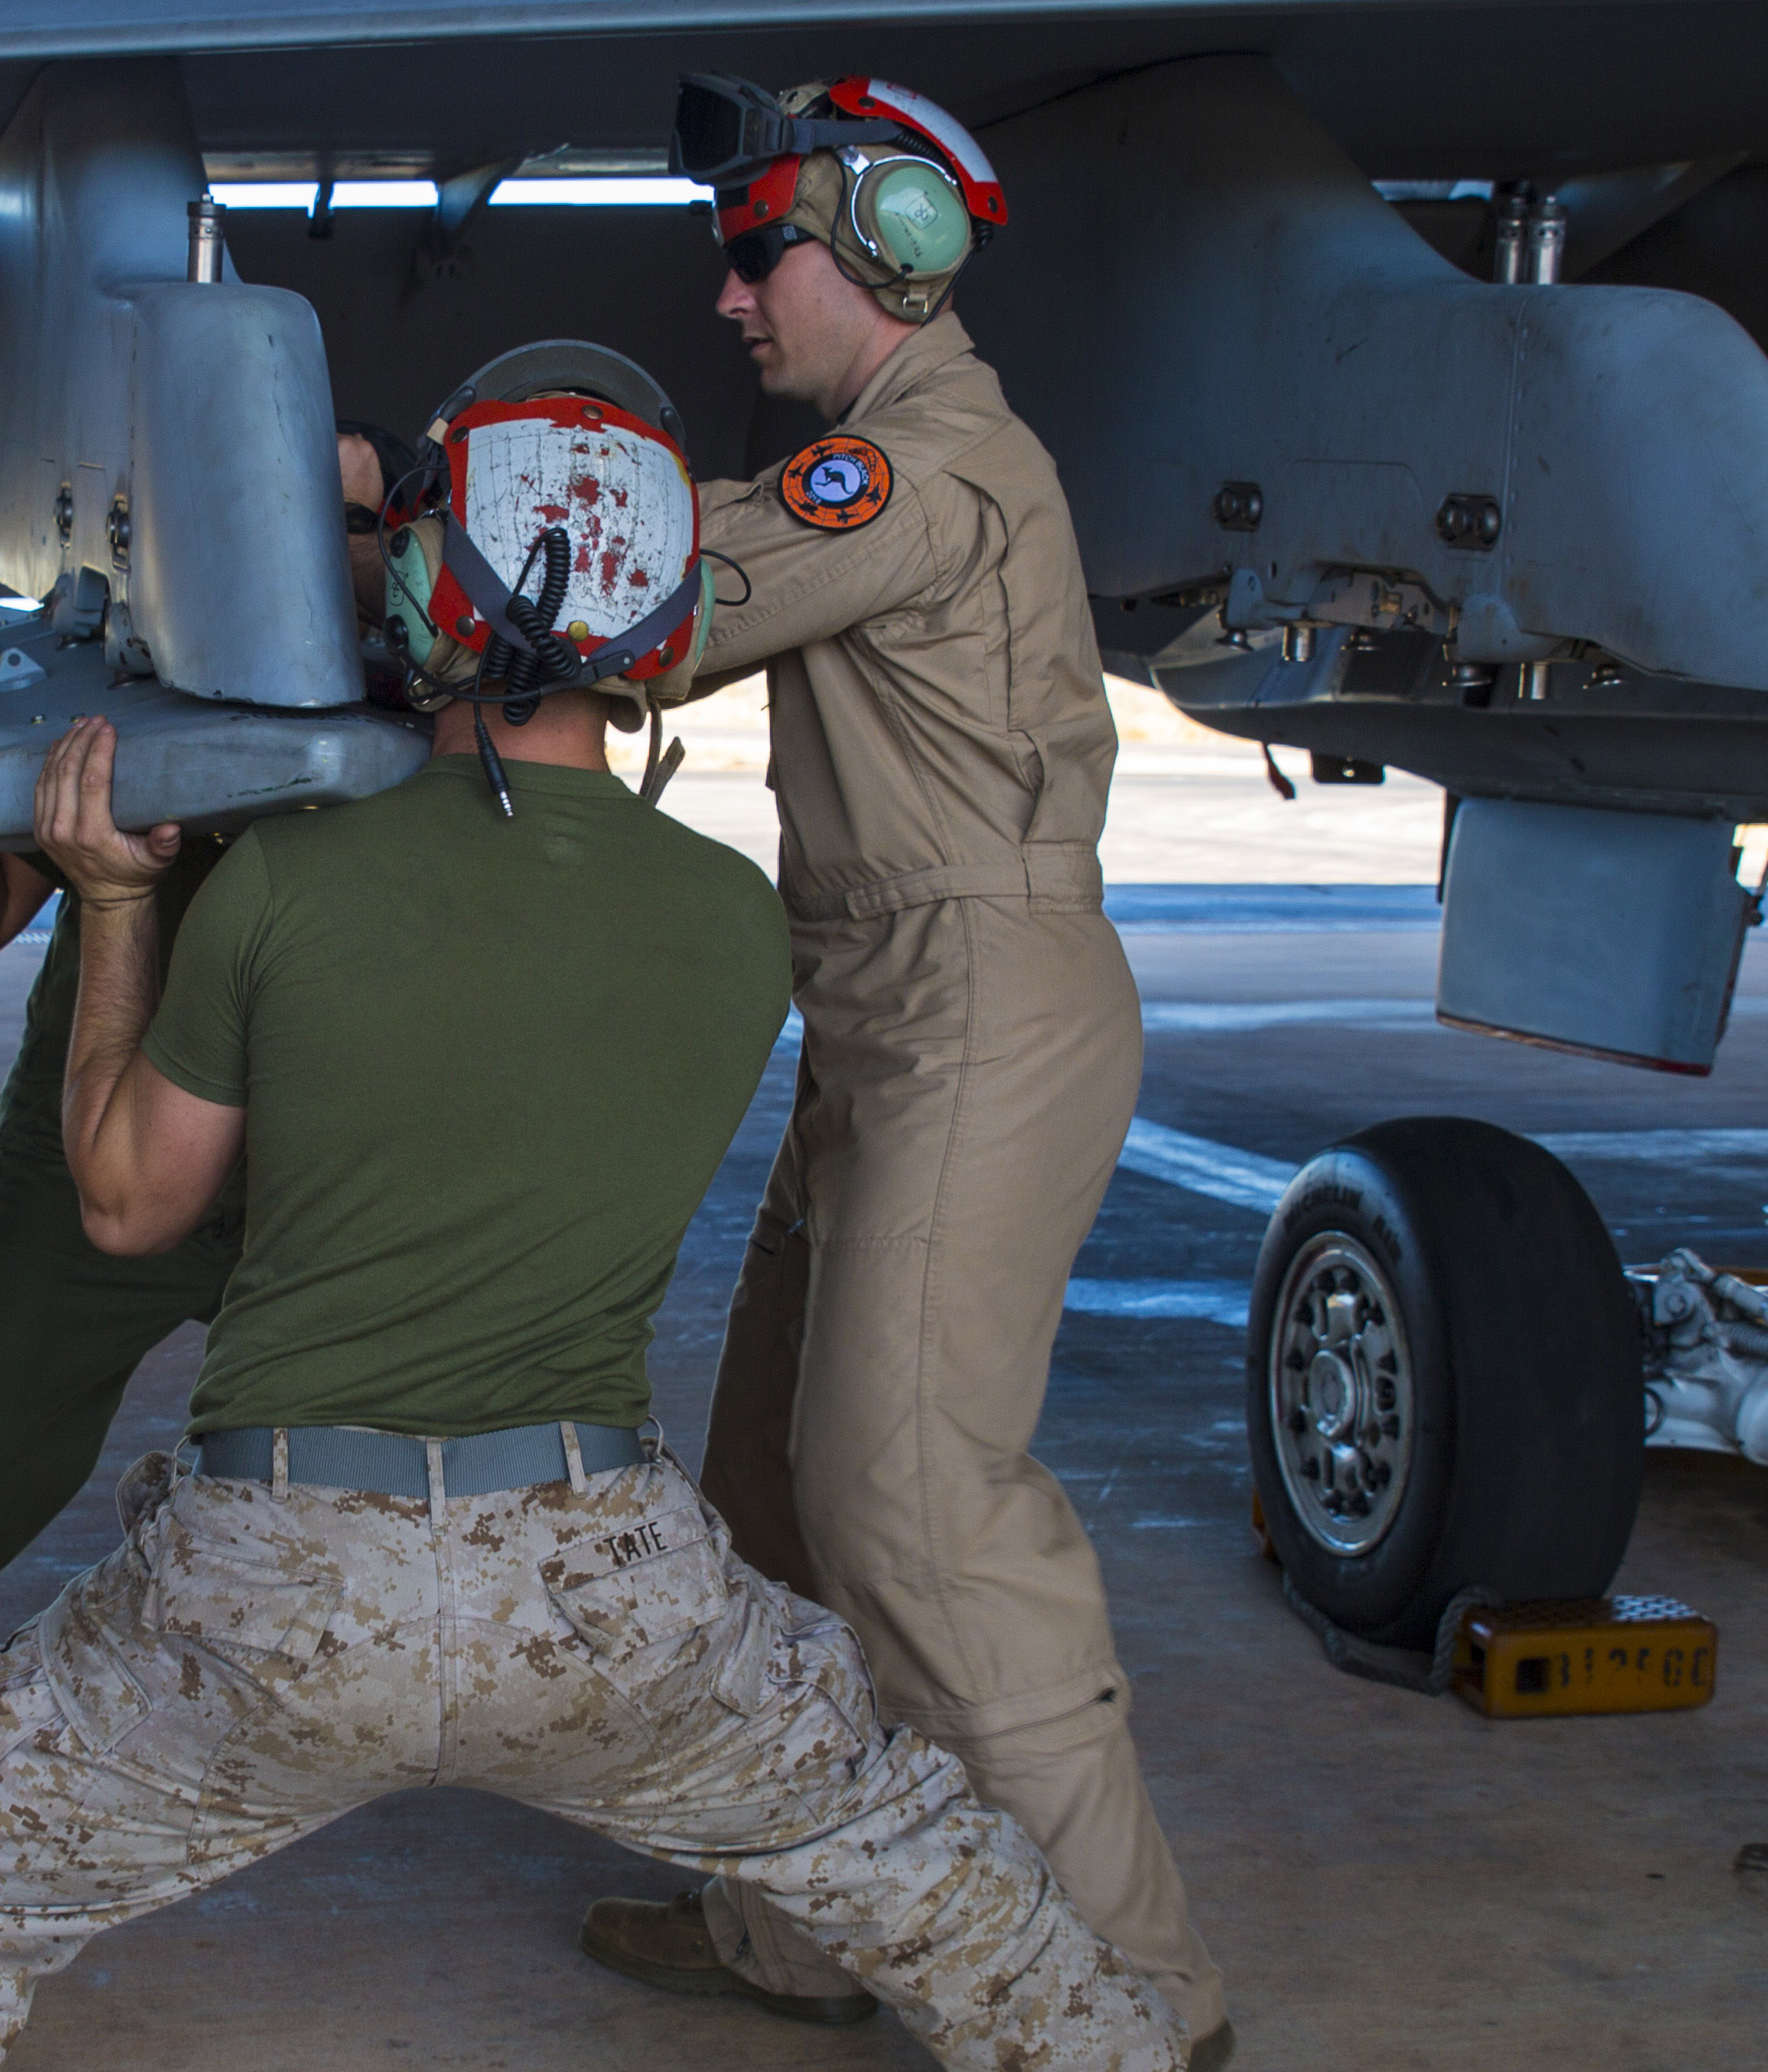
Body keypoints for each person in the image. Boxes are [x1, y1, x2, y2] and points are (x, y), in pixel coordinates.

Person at [0, 676, 1190, 2070]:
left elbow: (132, 1193)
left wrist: (116, 898)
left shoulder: (296, 877)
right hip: (595, 1570)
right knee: (929, 1861)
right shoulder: (734, 912)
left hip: (278, 1545)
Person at [573, 74, 1231, 2067]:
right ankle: (807, 1934)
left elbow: (674, 615)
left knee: (915, 1510)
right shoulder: (869, 453)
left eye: (756, 255)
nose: (731, 303)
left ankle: (1137, 1994)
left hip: (976, 1009)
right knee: (777, 1502)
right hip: (882, 1014)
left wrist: (422, 533)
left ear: (889, 249)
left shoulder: (922, 469)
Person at [0, 430, 402, 1855]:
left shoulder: (424, 695)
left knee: (408, 1432)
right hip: (109, 1117)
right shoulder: (131, 684)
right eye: (303, 526)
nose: (330, 560)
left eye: (359, 527)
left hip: (314, 1148)